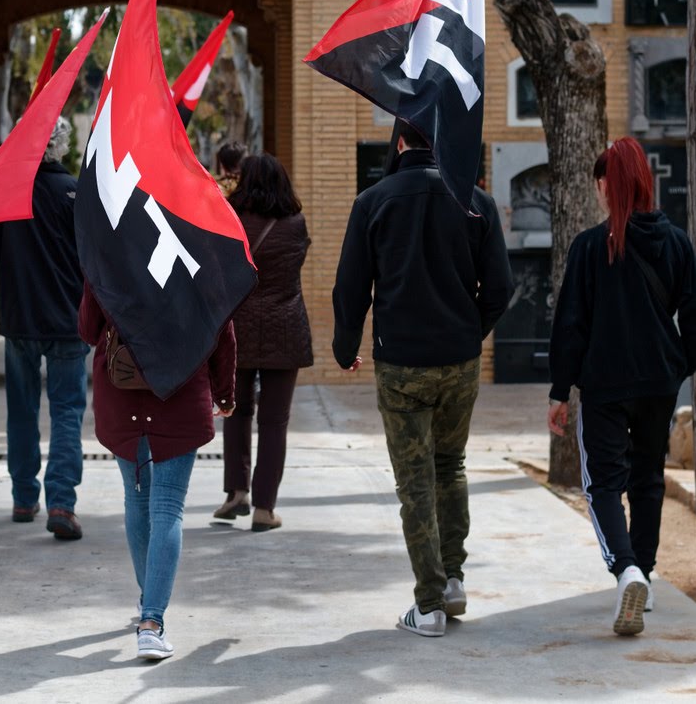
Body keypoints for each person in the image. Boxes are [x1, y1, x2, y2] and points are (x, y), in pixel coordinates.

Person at [331, 119, 513, 638]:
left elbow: (350, 289)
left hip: (401, 365)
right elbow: (500, 288)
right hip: (459, 361)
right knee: (450, 466)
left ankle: (429, 603)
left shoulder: (374, 201)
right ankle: (452, 578)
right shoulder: (475, 200)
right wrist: (468, 333)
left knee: (414, 482)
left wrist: (346, 350)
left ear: (401, 140)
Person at [547, 136, 696, 637]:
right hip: (658, 383)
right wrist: (676, 366)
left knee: (603, 484)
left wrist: (559, 391)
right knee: (647, 478)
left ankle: (626, 570)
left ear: (607, 185)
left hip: (605, 383)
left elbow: (571, 325)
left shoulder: (592, 247)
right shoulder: (677, 243)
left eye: (601, 181)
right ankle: (645, 575)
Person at [79, 283, 236, 663]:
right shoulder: (200, 247)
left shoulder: (109, 250)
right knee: (167, 505)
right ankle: (152, 621)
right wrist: (226, 393)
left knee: (136, 497)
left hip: (121, 388)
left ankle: (148, 598)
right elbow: (222, 330)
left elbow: (87, 329)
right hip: (180, 390)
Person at [0, 117, 88, 541]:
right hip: (70, 320)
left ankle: (22, 496)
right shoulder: (77, 192)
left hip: (20, 320)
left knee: (22, 408)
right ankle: (61, 503)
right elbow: (95, 259)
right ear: (62, 146)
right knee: (67, 410)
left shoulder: (8, 190)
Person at [214, 153, 311, 531]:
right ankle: (264, 508)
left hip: (236, 330)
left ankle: (236, 492)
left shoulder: (228, 219)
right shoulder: (296, 224)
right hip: (284, 330)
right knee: (275, 422)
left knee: (235, 413)